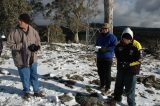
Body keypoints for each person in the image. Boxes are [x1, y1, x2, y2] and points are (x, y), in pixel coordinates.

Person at [7, 13, 44, 99]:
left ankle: (36, 91)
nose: (19, 21)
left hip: (32, 58)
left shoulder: (34, 31)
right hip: (21, 59)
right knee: (25, 76)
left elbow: (38, 42)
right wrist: (22, 46)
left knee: (34, 75)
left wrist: (36, 47)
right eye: (19, 20)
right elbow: (9, 45)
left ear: (25, 22)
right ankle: (26, 92)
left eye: (21, 20)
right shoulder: (14, 32)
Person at [113, 27, 142, 106]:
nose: (126, 40)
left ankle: (131, 103)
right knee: (118, 85)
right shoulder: (119, 44)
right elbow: (117, 54)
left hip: (132, 70)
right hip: (121, 68)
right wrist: (120, 62)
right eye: (124, 38)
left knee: (129, 89)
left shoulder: (136, 45)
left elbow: (139, 60)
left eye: (128, 39)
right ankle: (116, 99)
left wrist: (129, 64)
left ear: (131, 38)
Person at [95, 23, 117, 94]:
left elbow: (114, 46)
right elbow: (96, 44)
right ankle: (102, 85)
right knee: (100, 72)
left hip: (107, 58)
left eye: (106, 29)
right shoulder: (99, 37)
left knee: (107, 73)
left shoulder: (112, 37)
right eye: (103, 29)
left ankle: (108, 87)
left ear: (108, 29)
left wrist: (106, 49)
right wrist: (96, 48)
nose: (104, 30)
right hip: (99, 57)